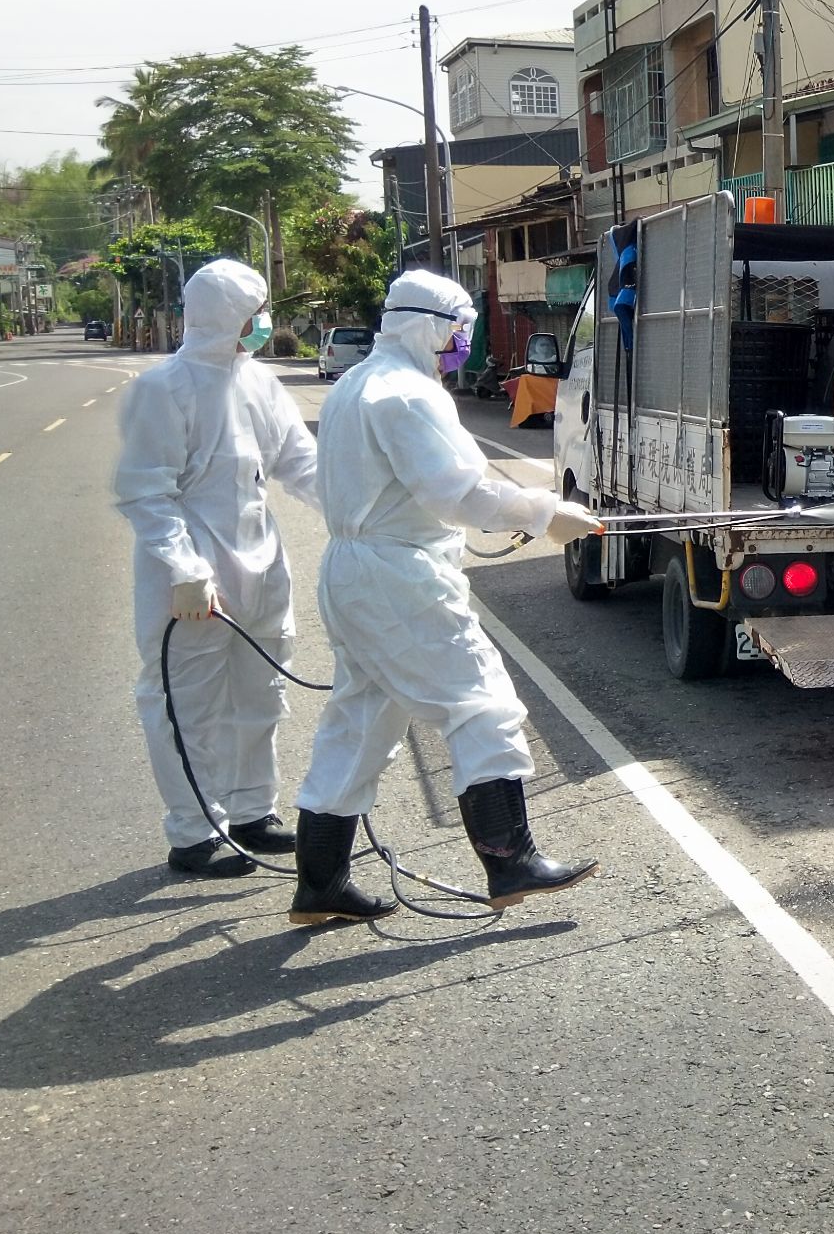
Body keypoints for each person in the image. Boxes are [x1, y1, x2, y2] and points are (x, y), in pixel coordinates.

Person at [289, 270, 604, 926]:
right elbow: (457, 493)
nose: (463, 343)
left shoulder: (354, 387)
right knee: (481, 702)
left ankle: (320, 881)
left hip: (353, 568)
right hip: (398, 575)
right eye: (458, 330)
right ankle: (509, 860)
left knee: (361, 721)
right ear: (427, 325)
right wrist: (548, 512)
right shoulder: (407, 395)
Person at [112, 258, 317, 878]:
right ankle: (195, 833)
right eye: (256, 312)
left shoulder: (258, 381)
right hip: (194, 575)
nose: (263, 323)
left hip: (260, 560)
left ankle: (254, 812)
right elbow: (146, 490)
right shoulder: (163, 388)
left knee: (262, 693)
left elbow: (297, 461)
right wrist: (183, 566)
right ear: (231, 316)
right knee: (189, 703)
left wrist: (362, 511)